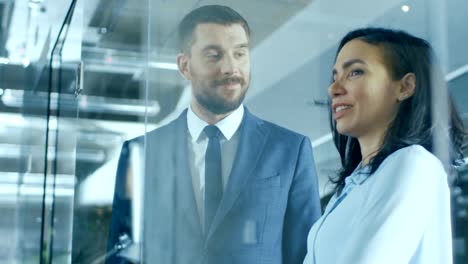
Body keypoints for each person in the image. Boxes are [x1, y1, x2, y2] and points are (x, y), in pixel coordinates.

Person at [107, 5, 322, 264]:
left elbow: (306, 256)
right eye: (214, 55)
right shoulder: (141, 153)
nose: (231, 68)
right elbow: (122, 254)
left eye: (240, 53)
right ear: (185, 65)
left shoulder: (290, 150)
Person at [303, 28, 466, 264]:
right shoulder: (354, 185)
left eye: (355, 72)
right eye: (335, 76)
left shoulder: (413, 163)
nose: (333, 89)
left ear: (405, 87)